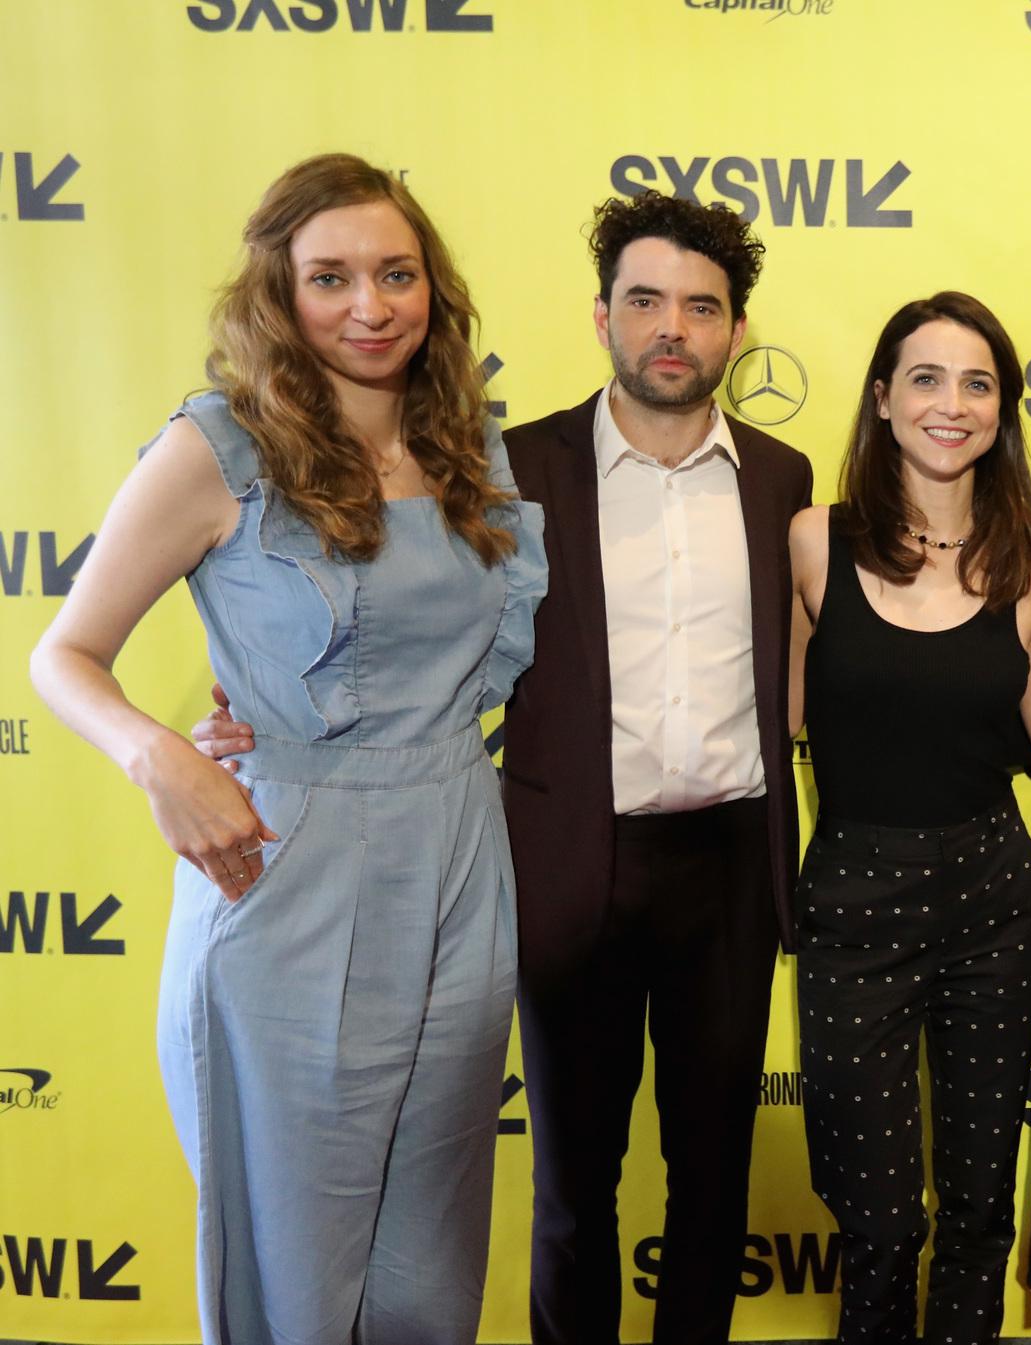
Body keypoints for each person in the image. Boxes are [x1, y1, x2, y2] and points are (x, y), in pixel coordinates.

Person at [197, 190, 811, 1344]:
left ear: (736, 330)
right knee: (573, 1185)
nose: (670, 327)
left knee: (713, 1178)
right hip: (566, 859)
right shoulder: (506, 465)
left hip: (729, 868)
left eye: (700, 307)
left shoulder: (781, 477)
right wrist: (258, 713)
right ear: (602, 317)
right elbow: (396, 624)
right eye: (644, 301)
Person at [29, 152, 546, 1343]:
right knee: (294, 1271)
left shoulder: (467, 443)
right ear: (279, 291)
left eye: (396, 274)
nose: (370, 306)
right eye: (330, 278)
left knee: (428, 1267)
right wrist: (161, 756)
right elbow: (63, 655)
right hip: (290, 865)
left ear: (433, 288)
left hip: (460, 856)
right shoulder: (219, 447)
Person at [788, 291, 1031, 1344]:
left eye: (976, 383)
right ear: (881, 397)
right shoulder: (814, 542)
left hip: (992, 901)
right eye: (925, 378)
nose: (950, 404)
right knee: (875, 1218)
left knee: (977, 1205)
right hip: (851, 904)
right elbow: (770, 721)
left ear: (1002, 410)